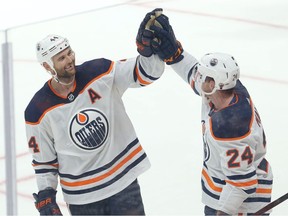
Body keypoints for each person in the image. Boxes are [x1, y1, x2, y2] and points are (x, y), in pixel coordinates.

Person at [24, 9, 165, 215]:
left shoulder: (99, 72)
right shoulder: (38, 110)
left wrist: (147, 51)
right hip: (83, 197)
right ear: (47, 66)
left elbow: (146, 73)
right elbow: (44, 161)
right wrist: (46, 194)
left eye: (69, 53)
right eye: (61, 58)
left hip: (123, 182)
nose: (70, 60)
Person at [147, 12, 274, 215]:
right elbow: (195, 76)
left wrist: (222, 212)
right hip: (225, 191)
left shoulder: (230, 125)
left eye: (204, 76)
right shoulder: (226, 91)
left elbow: (241, 185)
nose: (199, 77)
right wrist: (176, 56)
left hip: (240, 206)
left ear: (214, 83)